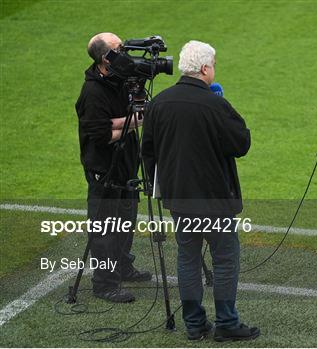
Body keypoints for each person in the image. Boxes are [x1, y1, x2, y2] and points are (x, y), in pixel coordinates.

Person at [141, 40, 259, 341]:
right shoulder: (216, 104)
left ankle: (194, 324)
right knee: (225, 258)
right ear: (205, 68)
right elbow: (241, 144)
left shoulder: (157, 104)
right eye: (214, 65)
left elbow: (148, 152)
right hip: (215, 201)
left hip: (178, 199)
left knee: (188, 259)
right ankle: (227, 323)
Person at [75, 32, 151, 303]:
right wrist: (136, 121)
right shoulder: (93, 92)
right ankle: (105, 283)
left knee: (126, 220)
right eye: (120, 49)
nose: (126, 53)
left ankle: (122, 265)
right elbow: (100, 134)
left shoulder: (120, 80)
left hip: (126, 164)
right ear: (105, 59)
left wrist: (128, 120)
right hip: (104, 169)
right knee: (105, 227)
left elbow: (117, 121)